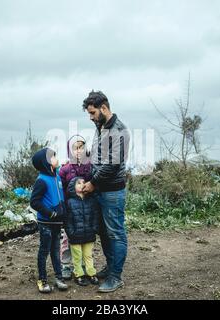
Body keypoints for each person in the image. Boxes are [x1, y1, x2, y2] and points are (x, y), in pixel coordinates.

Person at [81, 90, 130, 293]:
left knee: (116, 233)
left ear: (104, 108)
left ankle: (115, 277)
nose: (91, 117)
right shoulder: (100, 126)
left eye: (93, 113)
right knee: (103, 232)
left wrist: (92, 183)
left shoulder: (120, 131)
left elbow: (112, 165)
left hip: (112, 192)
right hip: (98, 190)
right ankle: (110, 267)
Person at [30, 148, 69, 294]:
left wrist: (62, 215)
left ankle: (59, 278)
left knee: (56, 250)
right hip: (46, 223)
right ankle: (42, 280)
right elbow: (34, 202)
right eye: (53, 157)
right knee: (44, 251)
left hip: (57, 223)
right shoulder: (41, 180)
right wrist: (50, 213)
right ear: (45, 162)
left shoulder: (57, 177)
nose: (56, 158)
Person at [58, 135, 92, 279]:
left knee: (86, 237)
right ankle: (66, 265)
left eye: (81, 147)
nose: (79, 151)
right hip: (71, 210)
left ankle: (84, 264)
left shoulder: (90, 166)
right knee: (68, 238)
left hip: (86, 209)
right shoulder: (65, 169)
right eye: (75, 148)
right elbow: (61, 189)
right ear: (69, 150)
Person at [65, 177, 100, 286]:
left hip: (89, 234)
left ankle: (91, 273)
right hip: (75, 236)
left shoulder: (91, 200)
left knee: (88, 255)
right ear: (72, 187)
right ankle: (78, 274)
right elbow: (67, 220)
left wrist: (94, 228)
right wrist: (70, 232)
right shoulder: (69, 202)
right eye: (78, 183)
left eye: (84, 183)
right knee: (77, 256)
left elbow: (95, 215)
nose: (82, 185)